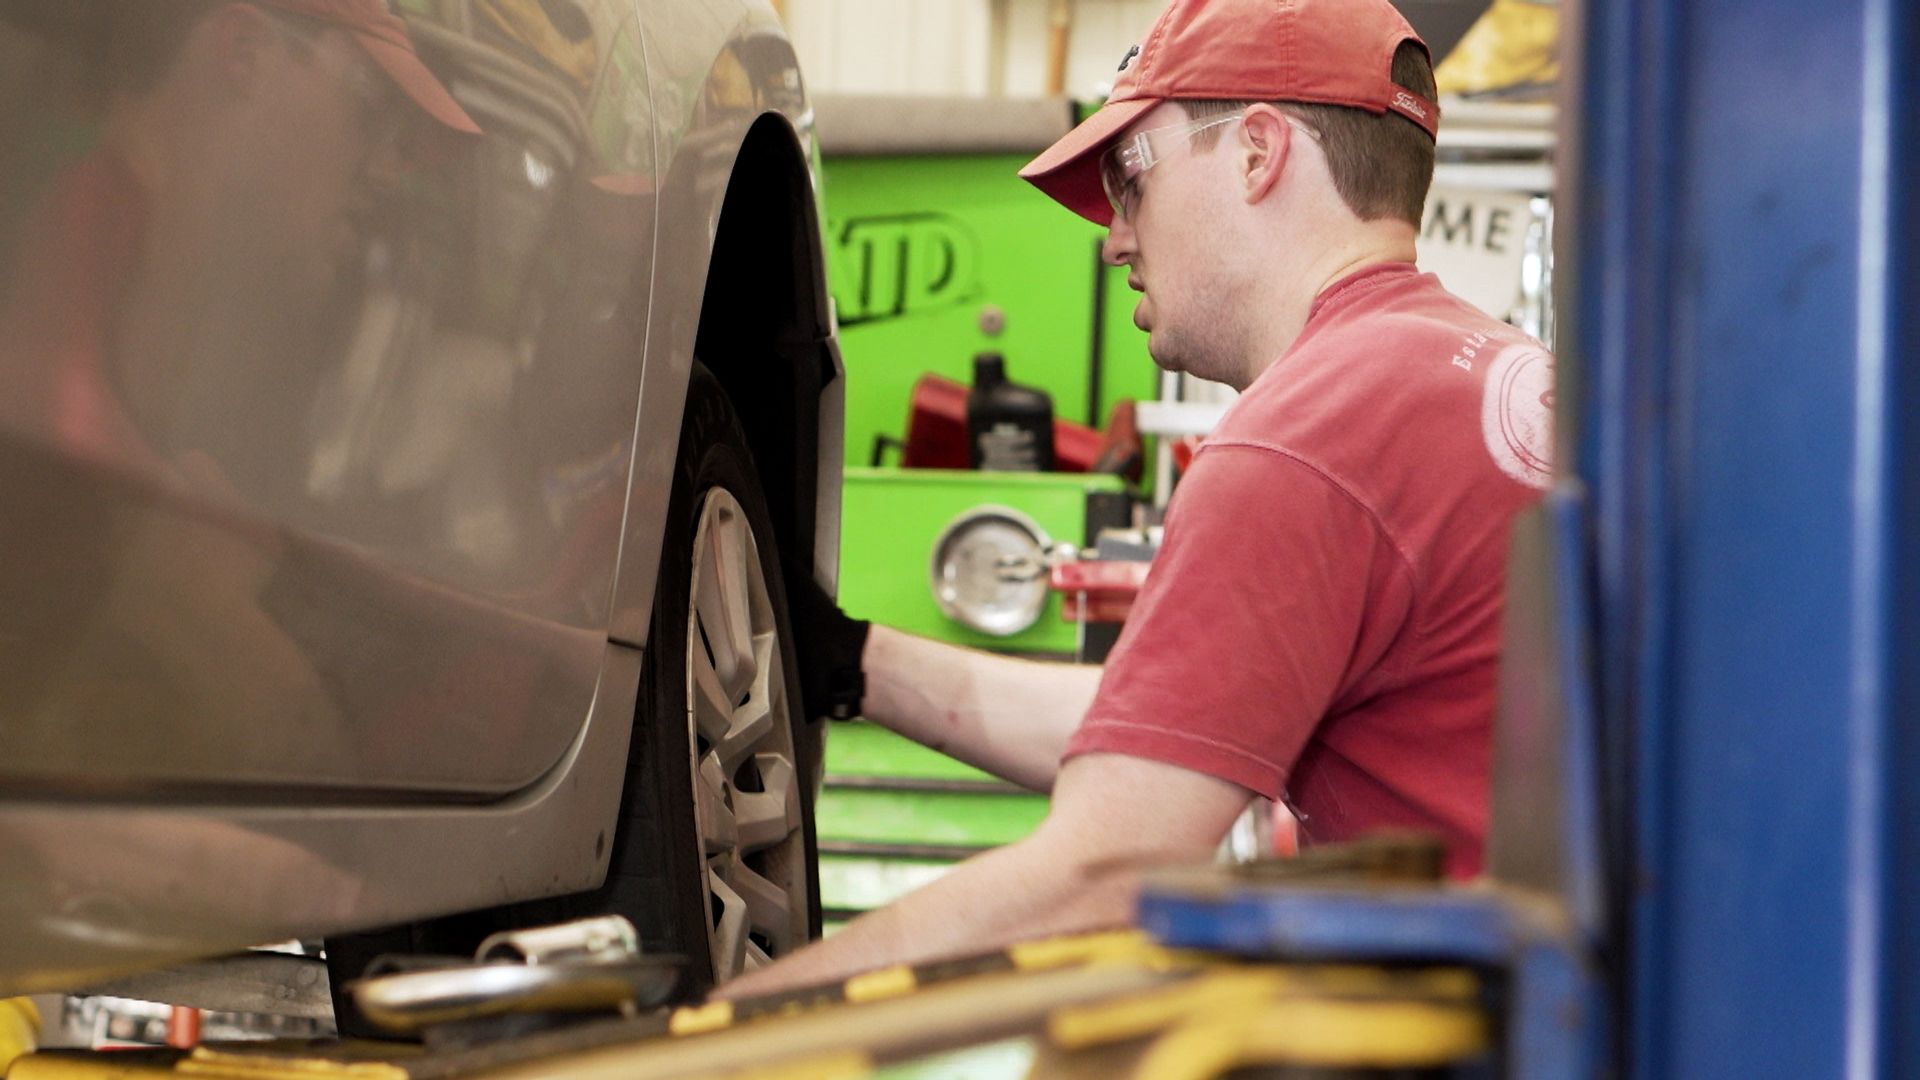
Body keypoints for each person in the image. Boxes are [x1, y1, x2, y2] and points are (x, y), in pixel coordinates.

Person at [736, 0, 1556, 998]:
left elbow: (1107, 867)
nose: (1113, 239)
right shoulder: (1466, 371)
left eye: (1131, 176)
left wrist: (725, 1028)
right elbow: (1174, 737)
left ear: (1258, 154)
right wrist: (856, 662)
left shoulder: (1304, 438)